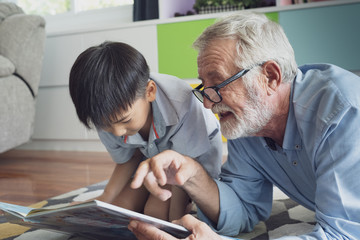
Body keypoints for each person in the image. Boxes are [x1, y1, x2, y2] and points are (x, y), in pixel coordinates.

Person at [128, 11, 360, 239]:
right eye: (204, 88)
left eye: (218, 84)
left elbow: (344, 235)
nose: (208, 104)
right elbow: (243, 209)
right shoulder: (250, 123)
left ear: (270, 76)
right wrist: (193, 175)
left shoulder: (342, 112)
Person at [68, 41, 222, 221]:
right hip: (152, 159)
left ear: (150, 92)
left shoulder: (182, 104)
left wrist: (176, 222)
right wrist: (105, 199)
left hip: (191, 162)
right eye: (105, 126)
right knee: (120, 208)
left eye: (124, 120)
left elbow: (183, 169)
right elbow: (129, 158)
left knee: (155, 213)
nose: (117, 133)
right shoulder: (104, 112)